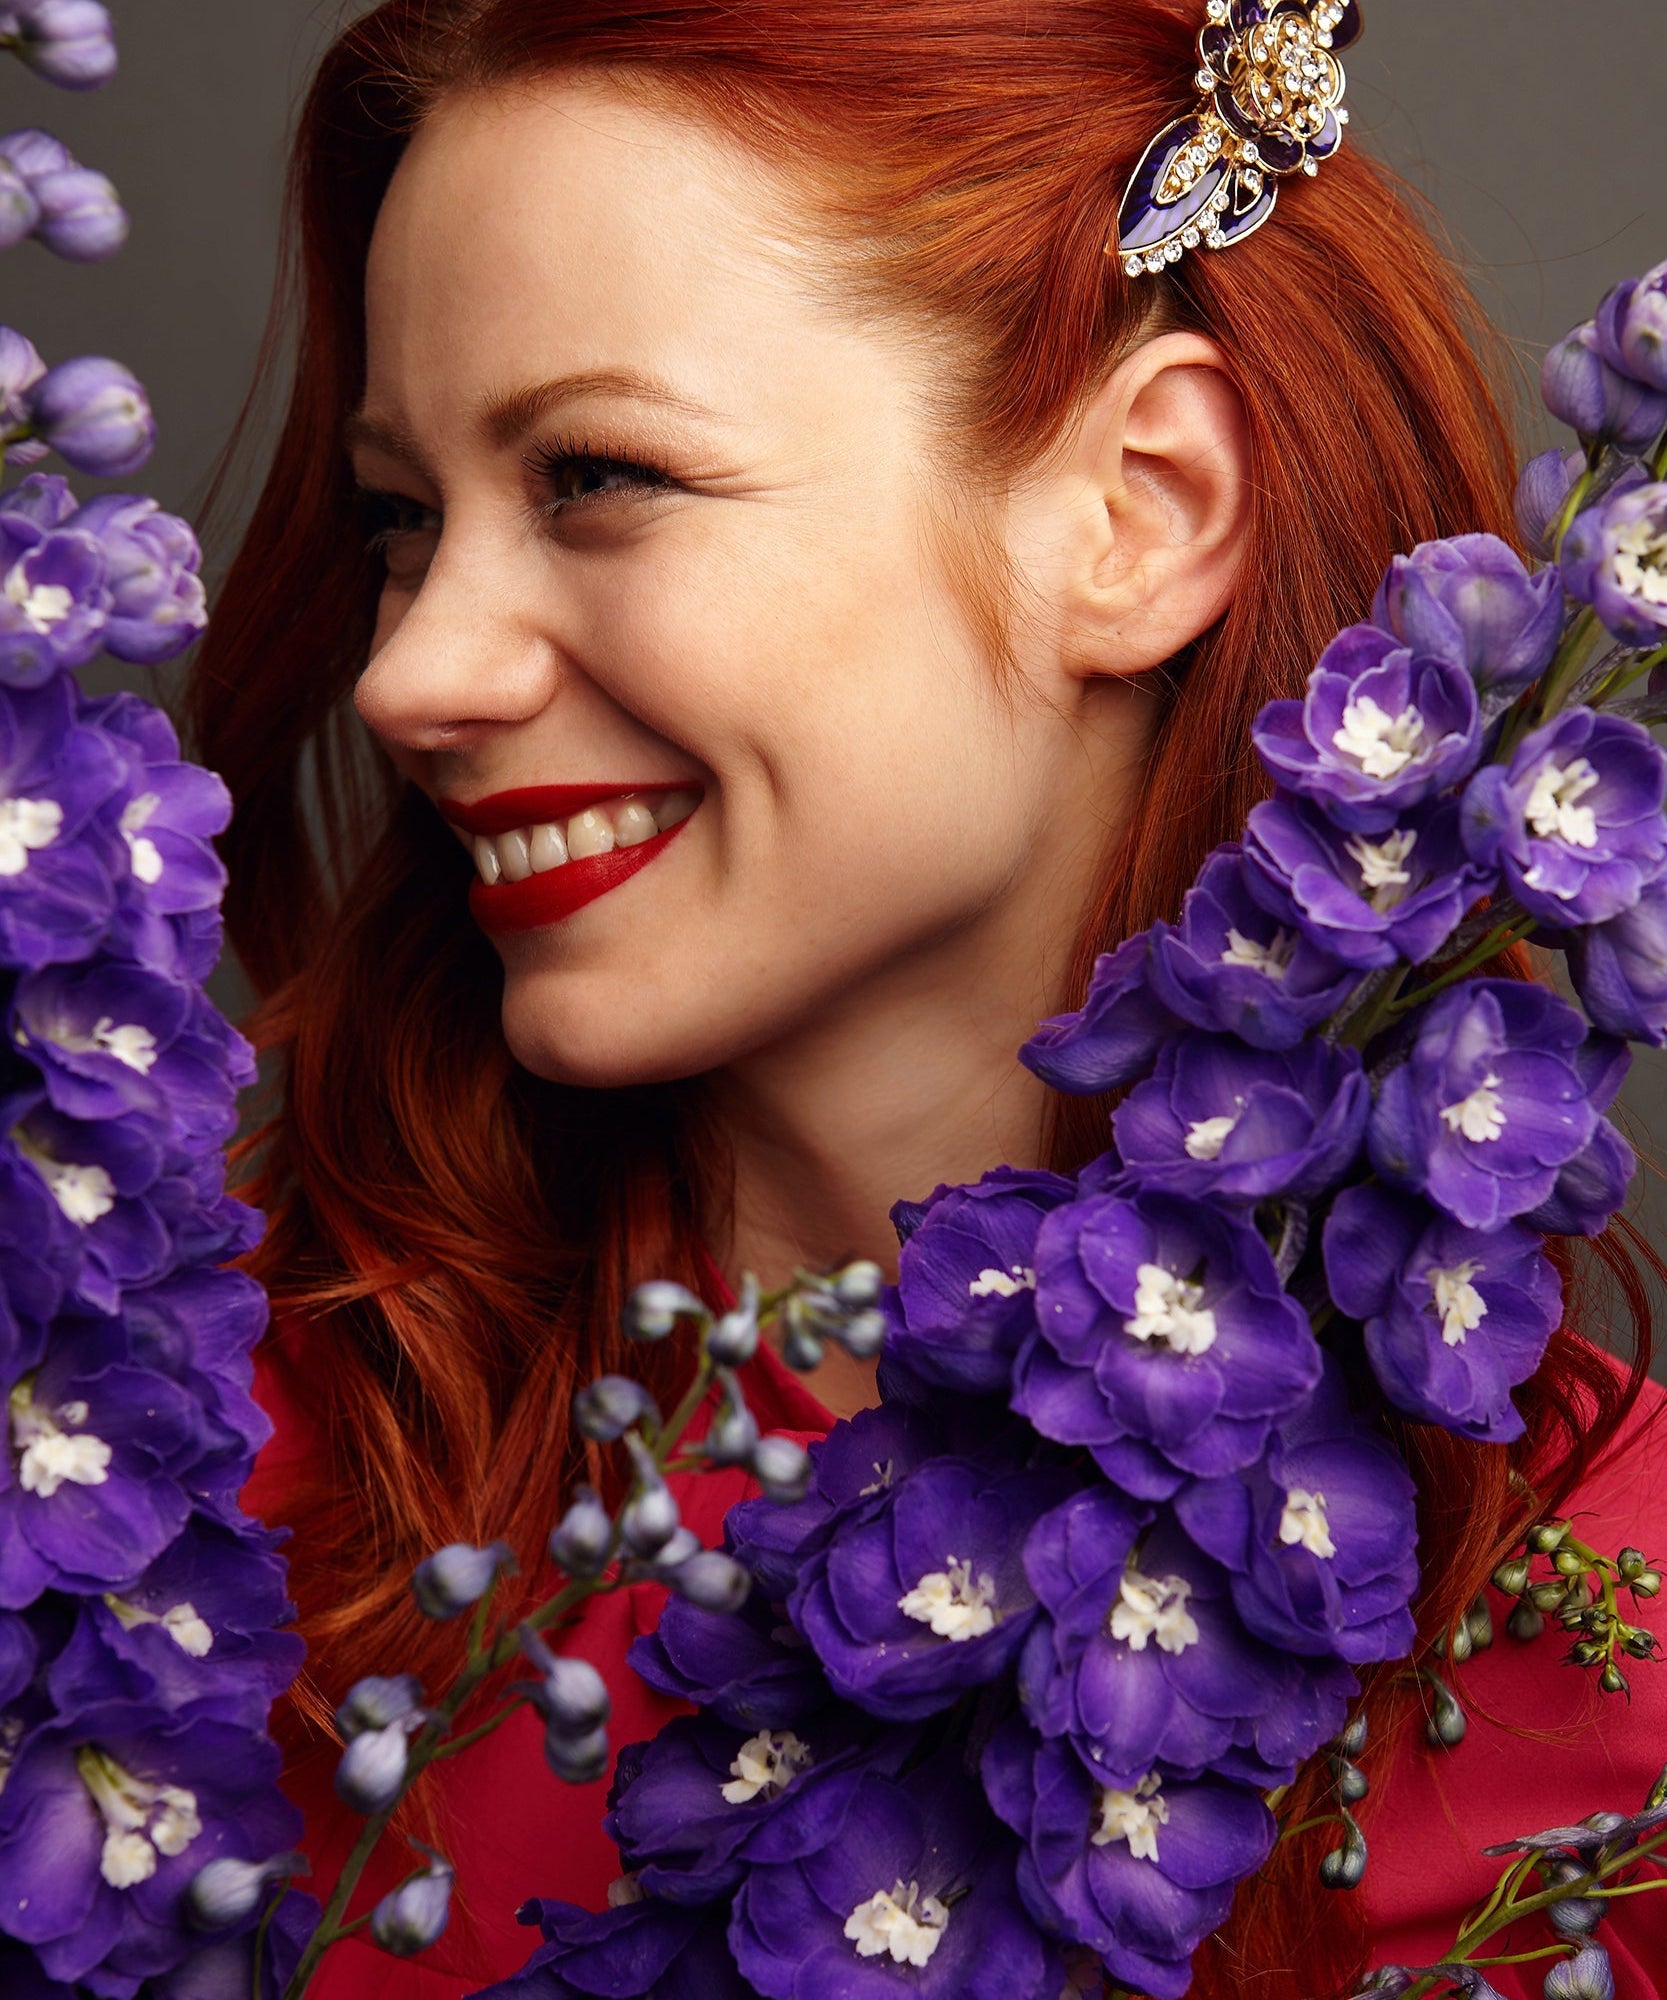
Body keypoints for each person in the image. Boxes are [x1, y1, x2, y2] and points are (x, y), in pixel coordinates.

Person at [199, 2, 1667, 1994]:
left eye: (600, 476)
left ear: (1138, 515)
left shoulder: (1603, 1653)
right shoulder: (205, 1507)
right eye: (401, 519)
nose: (413, 673)